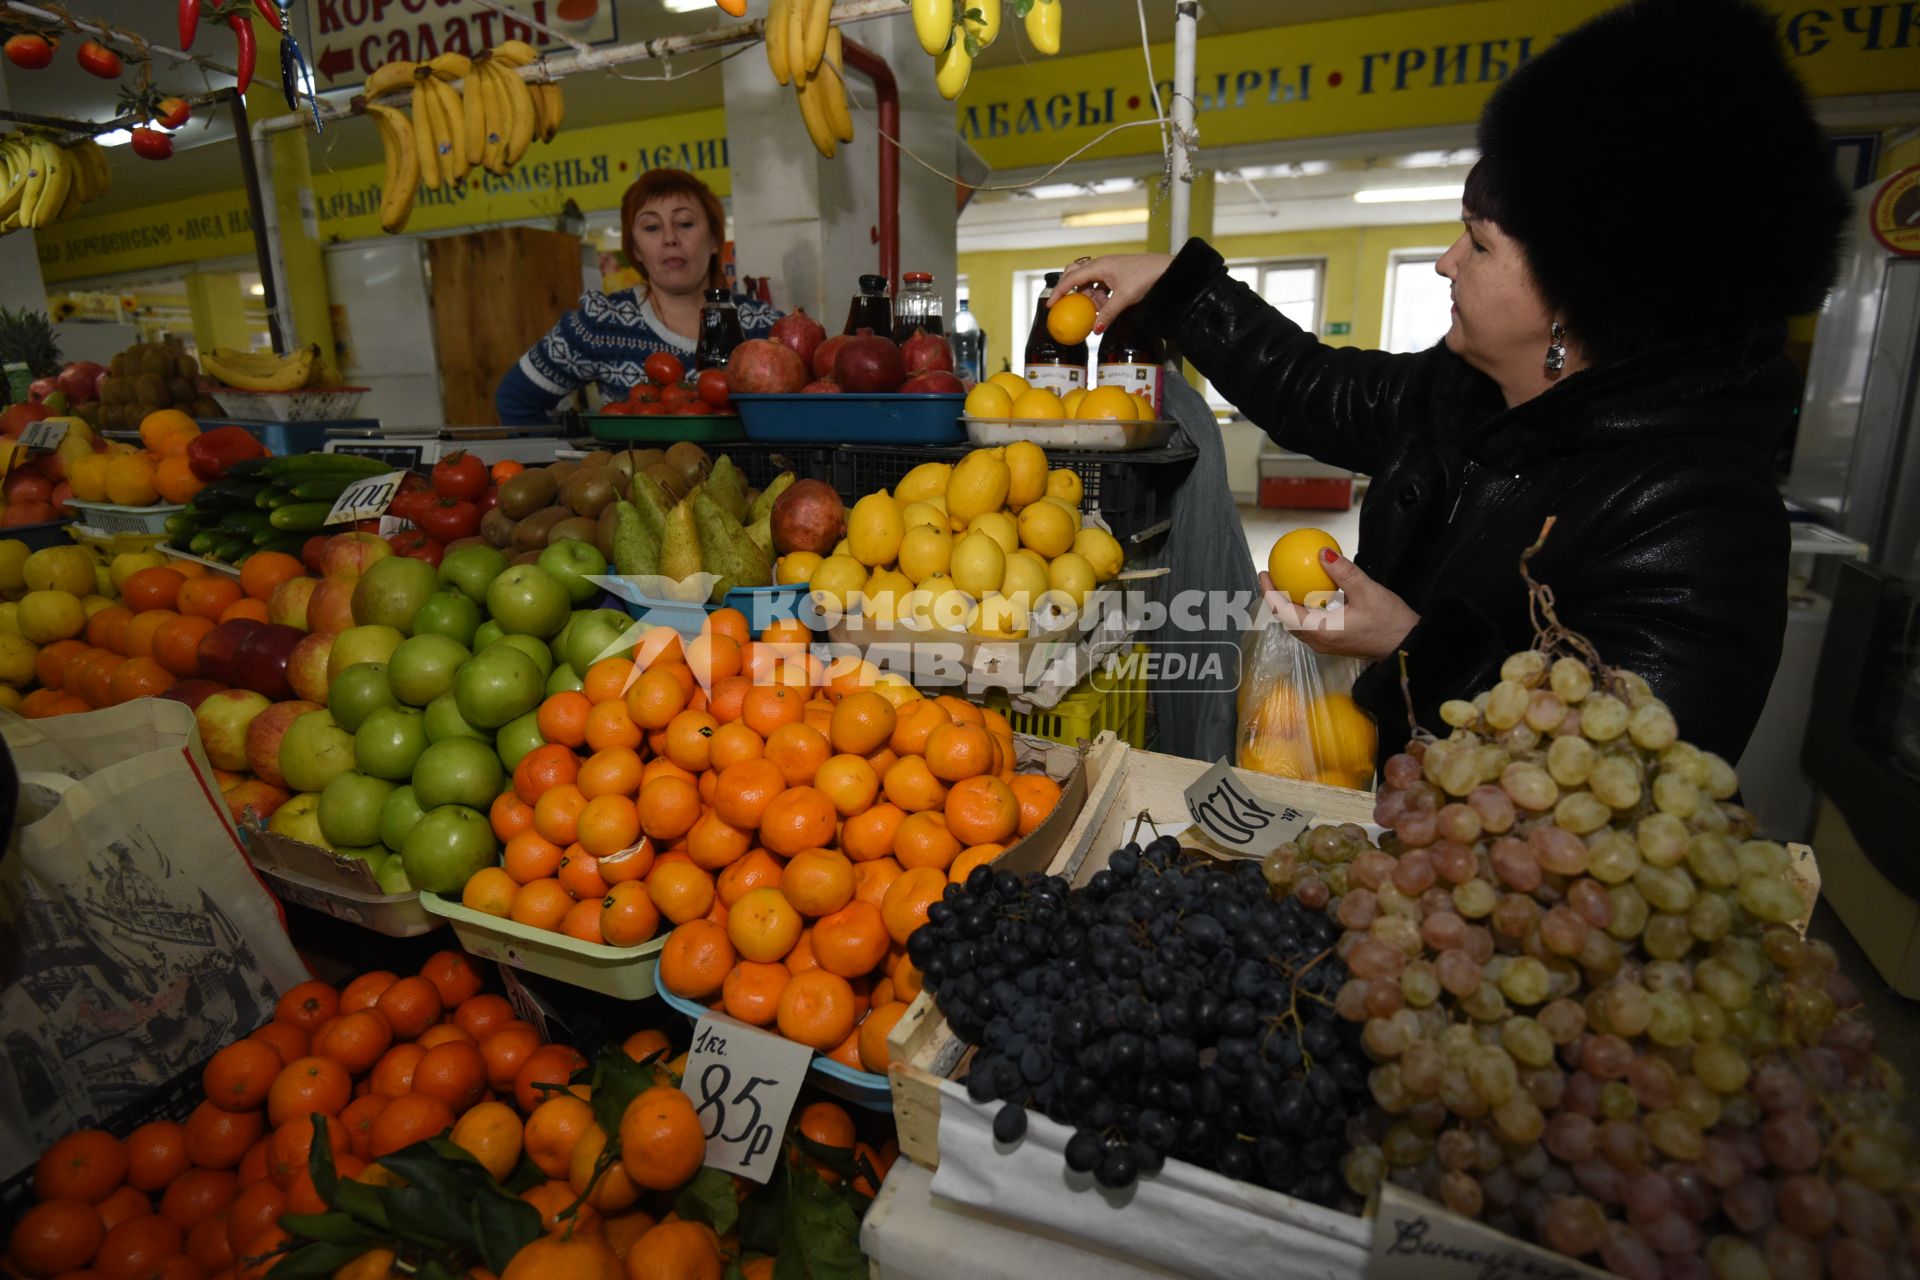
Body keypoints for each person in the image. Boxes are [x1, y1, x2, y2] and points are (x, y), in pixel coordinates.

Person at [1051, 0, 1848, 771]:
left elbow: (1630, 783)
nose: (1445, 262)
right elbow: (1314, 386)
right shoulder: (1466, 391)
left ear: (1579, 291)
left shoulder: (1696, 516)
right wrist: (1176, 286)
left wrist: (1407, 646)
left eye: (1479, 242)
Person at [495, 168, 781, 424]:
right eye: (652, 227)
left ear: (715, 240)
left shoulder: (763, 329)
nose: (670, 238)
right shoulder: (602, 322)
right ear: (634, 249)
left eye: (685, 223)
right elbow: (515, 400)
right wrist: (574, 467)